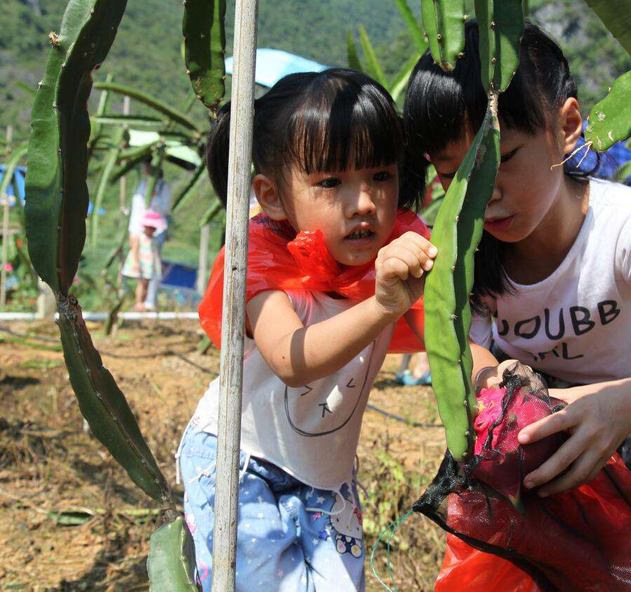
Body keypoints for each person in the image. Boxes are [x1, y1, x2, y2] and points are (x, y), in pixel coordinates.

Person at [403, 20, 631, 585]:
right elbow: (467, 353)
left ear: (567, 126)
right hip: (527, 448)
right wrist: (500, 377)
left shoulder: (629, 226)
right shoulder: (465, 246)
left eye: (503, 158)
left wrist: (630, 404)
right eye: (452, 176)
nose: (484, 194)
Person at [177, 69, 434, 591]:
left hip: (328, 479)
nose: (363, 201)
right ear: (271, 196)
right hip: (241, 462)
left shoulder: (401, 247)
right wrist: (382, 306)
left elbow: (451, 336)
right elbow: (292, 360)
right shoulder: (256, 259)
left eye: (380, 175)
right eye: (331, 182)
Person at [127, 163, 171, 310]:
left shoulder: (162, 187)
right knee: (141, 273)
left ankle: (150, 301)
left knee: (152, 271)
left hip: (156, 231)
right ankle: (138, 302)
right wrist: (132, 231)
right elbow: (136, 210)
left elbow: (165, 208)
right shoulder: (142, 184)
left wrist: (155, 197)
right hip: (139, 231)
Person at [121, 210, 165, 311]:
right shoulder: (139, 236)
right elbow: (135, 250)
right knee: (141, 283)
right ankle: (139, 302)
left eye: (154, 228)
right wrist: (136, 262)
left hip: (149, 264)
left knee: (146, 284)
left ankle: (143, 301)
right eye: (150, 227)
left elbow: (155, 252)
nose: (152, 229)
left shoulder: (154, 239)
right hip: (142, 263)